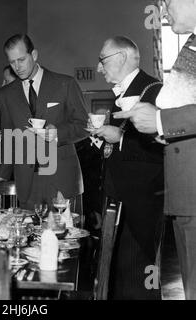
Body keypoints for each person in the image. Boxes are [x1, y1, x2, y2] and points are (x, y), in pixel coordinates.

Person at [113, 0, 196, 300]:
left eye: (167, 2)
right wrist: (159, 129)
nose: (161, 12)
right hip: (185, 196)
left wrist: (160, 120)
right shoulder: (192, 47)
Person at [91, 36, 164, 299]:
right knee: (122, 277)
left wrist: (119, 137)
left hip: (142, 204)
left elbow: (161, 150)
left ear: (121, 57)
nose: (99, 68)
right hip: (121, 201)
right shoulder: (123, 92)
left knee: (140, 276)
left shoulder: (153, 90)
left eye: (102, 60)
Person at [0, 34, 88, 210]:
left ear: (34, 55)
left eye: (21, 59)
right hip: (27, 183)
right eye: (12, 62)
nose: (17, 67)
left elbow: (84, 125)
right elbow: (9, 137)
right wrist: (3, 174)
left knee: (66, 236)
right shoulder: (7, 94)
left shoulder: (65, 83)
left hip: (62, 179)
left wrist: (58, 134)